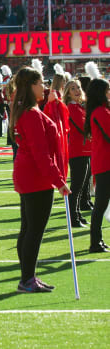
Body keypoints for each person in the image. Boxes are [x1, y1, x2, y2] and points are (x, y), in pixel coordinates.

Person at [10, 67, 70, 292]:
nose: (44, 87)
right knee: (33, 231)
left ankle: (28, 277)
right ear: (30, 86)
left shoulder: (28, 110)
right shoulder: (31, 113)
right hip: (36, 177)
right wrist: (58, 180)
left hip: (30, 175)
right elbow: (41, 153)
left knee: (28, 229)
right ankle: (27, 279)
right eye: (40, 83)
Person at [83, 77, 110, 253]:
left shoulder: (101, 111)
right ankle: (95, 241)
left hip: (104, 161)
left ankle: (97, 240)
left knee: (101, 203)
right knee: (101, 203)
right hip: (105, 162)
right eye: (108, 90)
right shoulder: (101, 112)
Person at [63, 80, 90, 228]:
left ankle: (77, 214)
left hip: (84, 149)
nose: (76, 90)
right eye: (72, 88)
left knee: (81, 186)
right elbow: (83, 126)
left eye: (78, 87)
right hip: (78, 150)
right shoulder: (72, 108)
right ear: (68, 93)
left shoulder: (79, 107)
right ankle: (73, 218)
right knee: (77, 186)